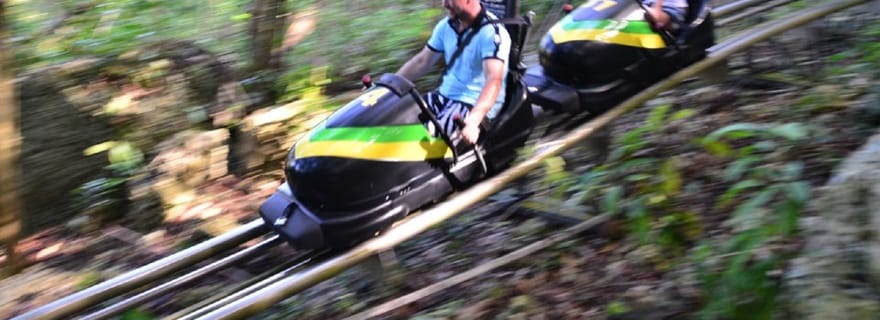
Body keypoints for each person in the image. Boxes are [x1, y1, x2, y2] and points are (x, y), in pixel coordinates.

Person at [396, 0, 511, 145]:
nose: (444, 4)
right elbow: (422, 61)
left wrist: (473, 121)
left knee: (430, 141)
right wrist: (390, 85)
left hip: (474, 103)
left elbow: (494, 81)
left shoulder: (493, 34)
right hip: (445, 96)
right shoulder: (446, 26)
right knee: (398, 121)